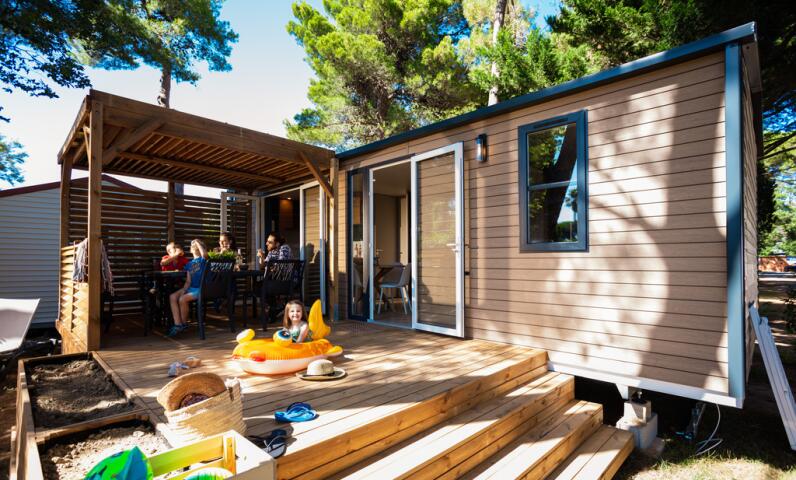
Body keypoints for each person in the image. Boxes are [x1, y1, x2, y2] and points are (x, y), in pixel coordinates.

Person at [167, 239, 208, 337]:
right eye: (193, 246)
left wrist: (197, 242)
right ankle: (178, 324)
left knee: (182, 299)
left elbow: (204, 255)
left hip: (200, 289)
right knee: (173, 297)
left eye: (198, 247)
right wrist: (184, 290)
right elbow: (188, 281)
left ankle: (183, 324)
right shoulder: (189, 264)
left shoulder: (203, 260)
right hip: (191, 288)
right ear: (190, 250)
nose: (195, 247)